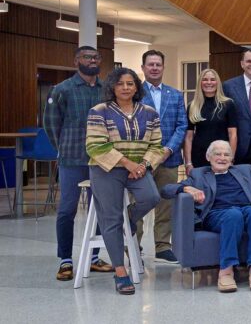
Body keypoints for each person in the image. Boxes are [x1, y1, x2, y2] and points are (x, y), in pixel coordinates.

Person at [85, 68, 164, 295]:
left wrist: (144, 165)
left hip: (138, 170)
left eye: (130, 84)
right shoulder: (99, 111)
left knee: (151, 197)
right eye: (121, 84)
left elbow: (157, 145)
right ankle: (120, 271)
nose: (126, 88)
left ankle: (129, 219)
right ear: (112, 87)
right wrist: (128, 163)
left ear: (137, 87)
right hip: (105, 168)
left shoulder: (149, 113)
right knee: (110, 218)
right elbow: (95, 145)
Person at [161, 140, 251, 293]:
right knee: (233, 215)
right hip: (217, 214)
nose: (222, 158)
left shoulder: (244, 171)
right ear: (208, 157)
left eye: (226, 154)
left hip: (245, 209)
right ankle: (226, 271)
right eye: (218, 154)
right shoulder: (198, 175)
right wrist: (187, 188)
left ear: (231, 159)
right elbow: (166, 190)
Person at [43, 45, 113, 281]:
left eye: (96, 57)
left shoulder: (107, 90)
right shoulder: (62, 89)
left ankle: (93, 258)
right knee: (67, 210)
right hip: (72, 159)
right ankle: (65, 260)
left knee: (101, 209)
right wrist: (64, 147)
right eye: (87, 57)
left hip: (102, 159)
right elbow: (51, 126)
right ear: (76, 61)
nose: (92, 60)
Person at [136, 49, 187, 264]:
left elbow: (181, 125)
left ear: (163, 67)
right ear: (143, 68)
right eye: (150, 64)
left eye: (158, 64)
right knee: (138, 202)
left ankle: (162, 246)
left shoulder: (175, 95)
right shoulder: (133, 94)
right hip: (141, 160)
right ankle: (133, 245)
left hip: (169, 158)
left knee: (166, 203)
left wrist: (169, 149)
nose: (155, 68)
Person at [185, 69, 238, 171]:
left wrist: (231, 158)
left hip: (221, 157)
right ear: (200, 83)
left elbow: (233, 135)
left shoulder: (228, 104)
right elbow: (188, 137)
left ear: (217, 82)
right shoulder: (192, 106)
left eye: (212, 80)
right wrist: (188, 163)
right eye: (205, 80)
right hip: (198, 157)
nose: (209, 83)